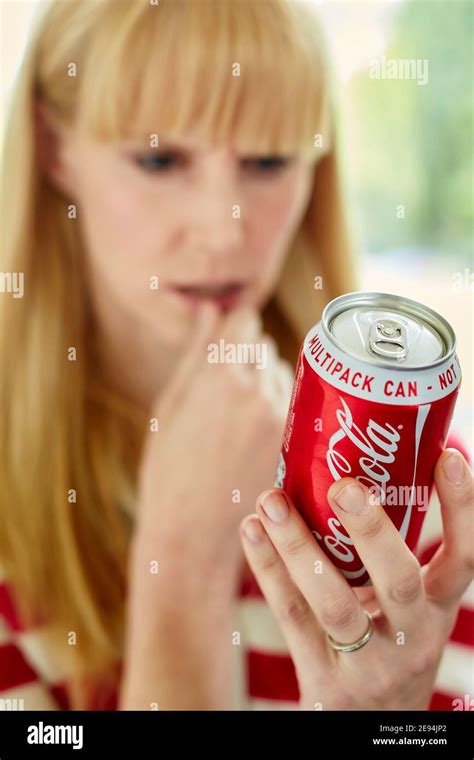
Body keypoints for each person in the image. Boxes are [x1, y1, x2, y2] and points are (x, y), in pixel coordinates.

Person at [0, 0, 472, 711]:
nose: (225, 232)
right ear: (52, 147)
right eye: (159, 158)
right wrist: (184, 562)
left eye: (269, 160)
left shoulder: (419, 515)